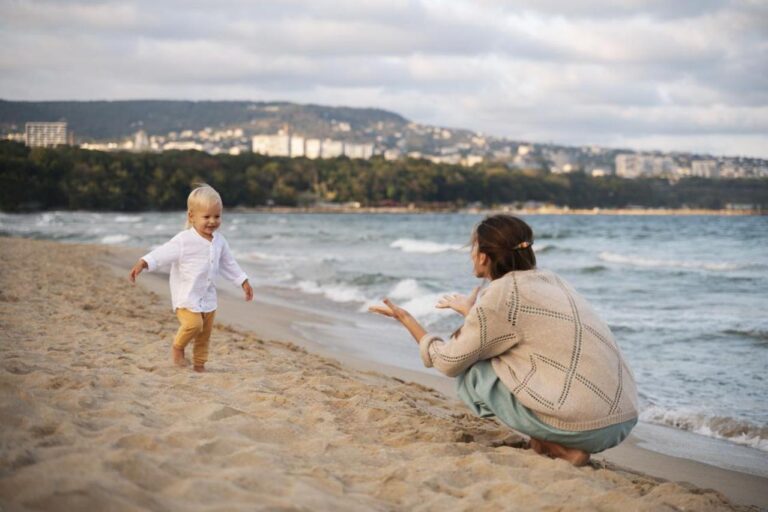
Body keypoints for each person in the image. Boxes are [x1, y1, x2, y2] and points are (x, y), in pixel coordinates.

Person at [370, 214, 638, 466]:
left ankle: (561, 449)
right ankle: (545, 439)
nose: (471, 255)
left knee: (474, 372)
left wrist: (406, 319)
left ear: (484, 257)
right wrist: (472, 312)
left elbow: (449, 361)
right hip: (621, 419)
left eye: (473, 248)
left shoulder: (501, 294)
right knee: (508, 356)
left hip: (584, 426)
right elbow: (516, 331)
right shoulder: (552, 280)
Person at [129, 184, 253, 372]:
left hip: (208, 300)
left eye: (217, 216)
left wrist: (243, 281)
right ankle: (178, 348)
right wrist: (144, 262)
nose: (212, 221)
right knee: (194, 325)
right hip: (186, 298)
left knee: (204, 335)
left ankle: (199, 365)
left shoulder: (220, 241)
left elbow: (228, 264)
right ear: (191, 216)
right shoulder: (184, 240)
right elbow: (163, 253)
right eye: (206, 217)